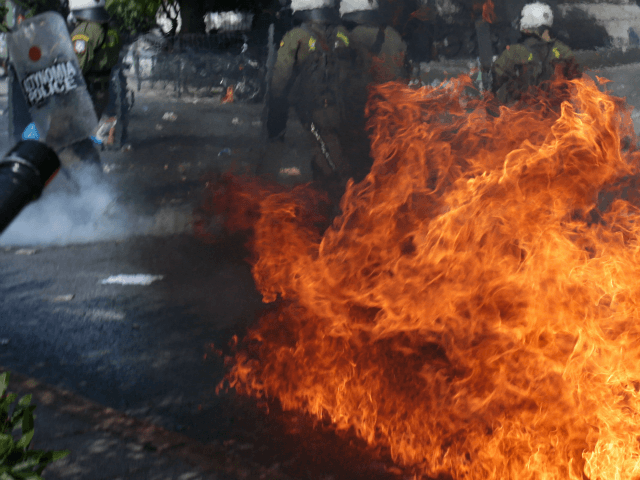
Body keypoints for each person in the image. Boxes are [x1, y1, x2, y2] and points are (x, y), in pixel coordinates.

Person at [491, 2, 582, 106]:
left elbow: (496, 82)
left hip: (521, 117)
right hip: (558, 117)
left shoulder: (514, 52)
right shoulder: (563, 51)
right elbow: (576, 82)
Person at [63, 0, 120, 164]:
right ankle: (94, 178)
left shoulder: (84, 32)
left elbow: (77, 69)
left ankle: (82, 183)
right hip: (101, 93)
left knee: (68, 143)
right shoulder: (110, 30)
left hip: (85, 95)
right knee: (82, 139)